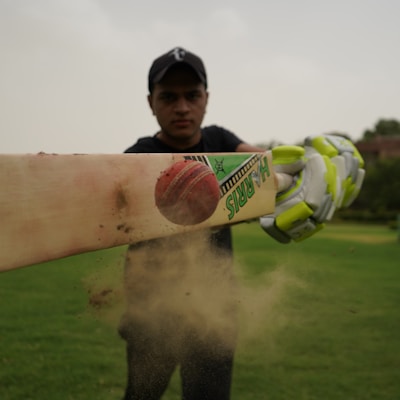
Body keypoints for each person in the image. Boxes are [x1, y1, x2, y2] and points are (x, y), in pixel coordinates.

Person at [118, 47, 365, 400]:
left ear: (207, 98)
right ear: (150, 102)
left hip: (214, 311)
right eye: (168, 97)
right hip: (153, 313)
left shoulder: (219, 140)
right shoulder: (138, 157)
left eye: (192, 95)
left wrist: (312, 174)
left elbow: (265, 167)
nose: (182, 107)